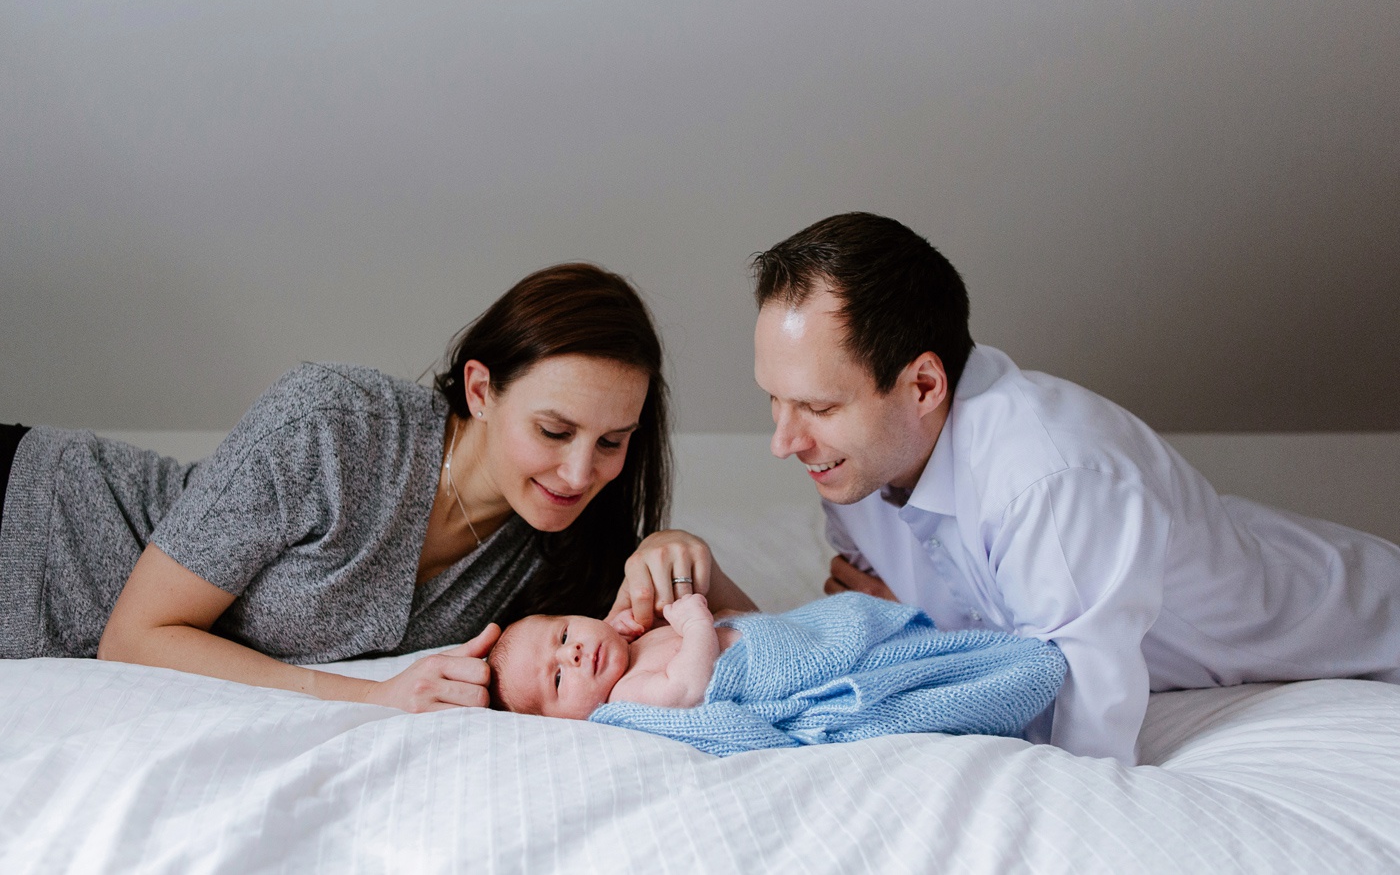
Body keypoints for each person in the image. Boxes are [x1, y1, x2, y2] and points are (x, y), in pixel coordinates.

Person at [750, 212, 1400, 765]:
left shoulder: (1050, 478)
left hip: (1372, 629)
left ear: (924, 385)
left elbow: (1082, 751)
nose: (784, 441)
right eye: (775, 401)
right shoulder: (852, 473)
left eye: (819, 407)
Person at [0, 262, 753, 712]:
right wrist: (374, 699)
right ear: (482, 390)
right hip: (31, 509)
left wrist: (692, 559)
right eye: (554, 432)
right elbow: (134, 638)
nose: (580, 472)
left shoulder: (557, 549)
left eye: (613, 442)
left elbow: (770, 653)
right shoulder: (335, 424)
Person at [488, 591, 1066, 756]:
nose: (572, 655)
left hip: (808, 638)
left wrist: (632, 628)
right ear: (565, 721)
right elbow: (689, 688)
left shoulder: (626, 643)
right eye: (558, 682)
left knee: (924, 652)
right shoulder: (629, 696)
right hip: (792, 680)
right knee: (912, 686)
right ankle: (1005, 679)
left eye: (564, 634)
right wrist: (692, 623)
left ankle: (988, 653)